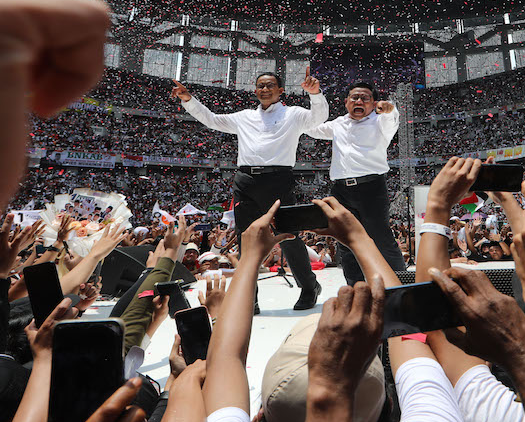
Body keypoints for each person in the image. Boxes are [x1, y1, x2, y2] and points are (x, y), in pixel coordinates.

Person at [171, 70, 327, 310]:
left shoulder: (293, 114)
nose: (265, 89)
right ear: (255, 91)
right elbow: (212, 119)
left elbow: (318, 119)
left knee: (289, 237)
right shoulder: (244, 117)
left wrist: (315, 95)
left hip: (278, 179)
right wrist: (188, 100)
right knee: (247, 241)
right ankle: (249, 296)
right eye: (260, 86)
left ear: (281, 90)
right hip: (246, 181)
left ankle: (309, 287)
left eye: (270, 85)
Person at [305, 82, 405, 284]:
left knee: (381, 238)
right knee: (345, 242)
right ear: (346, 102)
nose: (359, 101)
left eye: (365, 98)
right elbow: (311, 128)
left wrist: (389, 108)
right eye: (354, 98)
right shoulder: (338, 123)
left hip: (371, 188)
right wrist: (315, 95)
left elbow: (391, 118)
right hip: (341, 190)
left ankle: (402, 285)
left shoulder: (379, 122)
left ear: (374, 103)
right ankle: (356, 288)